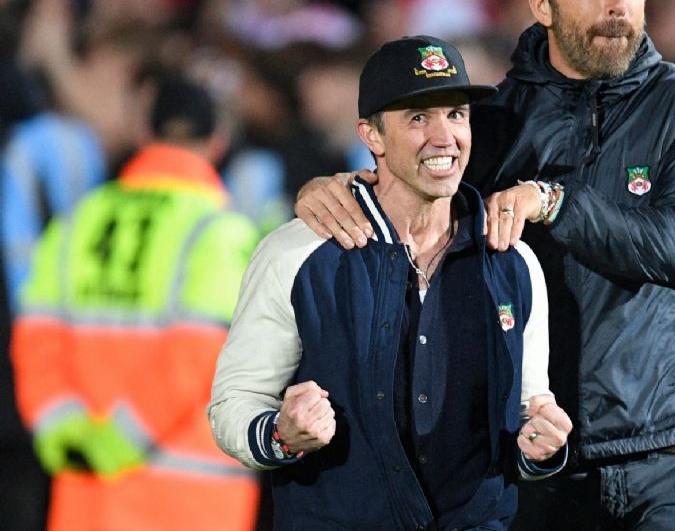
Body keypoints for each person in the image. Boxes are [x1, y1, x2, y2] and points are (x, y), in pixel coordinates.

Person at [295, 0, 675, 529]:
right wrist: (332, 190)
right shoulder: (490, 124)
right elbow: (406, 213)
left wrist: (554, 201)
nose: (618, 3)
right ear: (541, 5)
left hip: (661, 461)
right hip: (529, 462)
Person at [209, 35, 571, 530]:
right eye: (418, 118)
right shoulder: (297, 254)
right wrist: (281, 434)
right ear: (372, 136)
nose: (444, 137)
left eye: (456, 114)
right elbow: (234, 404)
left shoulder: (514, 262)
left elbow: (529, 413)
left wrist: (541, 445)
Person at [10, 74, 261, 531]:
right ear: (218, 142)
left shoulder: (78, 220)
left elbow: (36, 337)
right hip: (191, 501)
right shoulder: (222, 231)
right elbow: (200, 353)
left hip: (87, 495)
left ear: (144, 132)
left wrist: (64, 430)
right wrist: (125, 438)